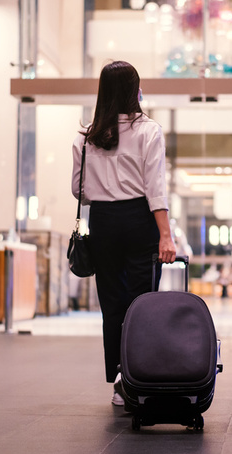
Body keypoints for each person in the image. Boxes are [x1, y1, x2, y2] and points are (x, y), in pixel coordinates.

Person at [71, 60, 176, 407]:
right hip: (139, 220)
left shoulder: (86, 136)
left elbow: (79, 190)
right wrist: (166, 236)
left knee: (112, 305)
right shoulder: (149, 131)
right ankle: (137, 378)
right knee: (141, 302)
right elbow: (155, 189)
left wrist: (106, 185)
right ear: (135, 89)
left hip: (103, 222)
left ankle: (118, 378)